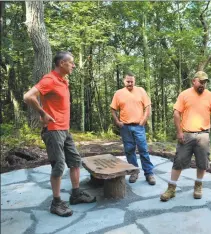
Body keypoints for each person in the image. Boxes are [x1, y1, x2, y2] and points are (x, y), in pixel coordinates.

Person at [23, 51, 96, 217]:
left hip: (65, 130)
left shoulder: (63, 81)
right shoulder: (49, 79)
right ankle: (56, 203)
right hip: (53, 130)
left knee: (75, 161)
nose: (74, 65)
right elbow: (28, 96)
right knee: (59, 165)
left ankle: (76, 194)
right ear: (62, 63)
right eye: (71, 63)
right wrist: (42, 113)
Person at [160, 71, 211, 201]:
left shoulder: (210, 96)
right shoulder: (184, 95)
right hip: (186, 135)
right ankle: (171, 188)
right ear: (194, 81)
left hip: (203, 135)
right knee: (179, 161)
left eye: (205, 82)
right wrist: (179, 132)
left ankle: (198, 185)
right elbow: (176, 113)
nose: (203, 85)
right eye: (201, 81)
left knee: (202, 162)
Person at [110, 72, 156, 185]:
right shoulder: (118, 93)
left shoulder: (141, 90)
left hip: (138, 126)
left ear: (134, 81)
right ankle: (134, 172)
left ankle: (149, 173)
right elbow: (112, 109)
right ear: (124, 81)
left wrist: (144, 120)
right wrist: (117, 121)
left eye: (132, 81)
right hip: (125, 127)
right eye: (128, 81)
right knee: (129, 150)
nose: (130, 83)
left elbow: (148, 106)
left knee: (143, 150)